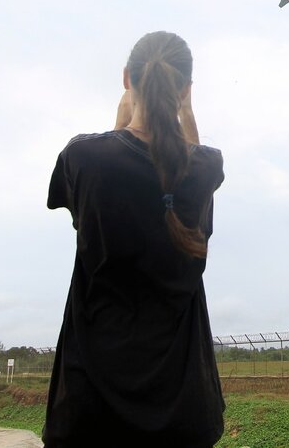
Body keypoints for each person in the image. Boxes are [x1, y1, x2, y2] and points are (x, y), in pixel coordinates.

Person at [42, 31, 226, 447]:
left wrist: (120, 125)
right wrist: (186, 114)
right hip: (183, 411)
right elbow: (191, 169)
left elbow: (93, 201)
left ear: (127, 78)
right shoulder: (207, 167)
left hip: (90, 411)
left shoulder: (82, 158)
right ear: (185, 90)